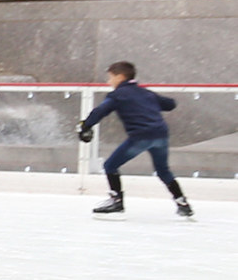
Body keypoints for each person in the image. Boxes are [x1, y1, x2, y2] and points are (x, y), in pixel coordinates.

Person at [80, 61, 193, 218]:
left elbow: (100, 111)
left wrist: (85, 126)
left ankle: (117, 201)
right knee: (163, 170)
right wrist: (149, 102)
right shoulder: (146, 93)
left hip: (141, 136)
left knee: (110, 165)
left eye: (110, 78)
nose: (108, 82)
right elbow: (170, 104)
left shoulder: (117, 95)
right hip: (160, 135)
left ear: (120, 77)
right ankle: (182, 203)